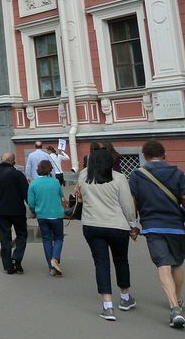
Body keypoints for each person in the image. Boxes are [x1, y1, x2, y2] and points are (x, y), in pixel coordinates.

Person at [128, 140, 185, 329]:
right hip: (177, 226)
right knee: (176, 263)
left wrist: (134, 226)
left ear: (144, 156)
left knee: (163, 264)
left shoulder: (137, 175)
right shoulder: (177, 173)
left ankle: (174, 308)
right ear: (164, 154)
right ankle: (177, 299)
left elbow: (133, 203)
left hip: (152, 226)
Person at [77, 148, 138, 321]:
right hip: (117, 226)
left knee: (101, 263)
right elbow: (127, 204)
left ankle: (107, 305)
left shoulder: (84, 177)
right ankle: (125, 298)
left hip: (92, 225)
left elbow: (80, 198)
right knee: (121, 260)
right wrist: (133, 225)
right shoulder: (119, 178)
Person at [0, 152, 30, 274]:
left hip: (2, 211)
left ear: (1, 161)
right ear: (13, 162)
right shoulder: (18, 175)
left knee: (5, 237)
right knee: (22, 235)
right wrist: (33, 208)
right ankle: (17, 257)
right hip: (18, 211)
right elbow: (27, 193)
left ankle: (8, 266)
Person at [28, 160, 67, 276]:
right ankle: (55, 258)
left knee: (46, 239)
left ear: (38, 169)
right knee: (58, 238)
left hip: (42, 216)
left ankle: (51, 267)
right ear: (50, 169)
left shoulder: (33, 184)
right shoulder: (55, 182)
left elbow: (31, 202)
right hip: (56, 215)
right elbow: (61, 196)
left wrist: (34, 211)